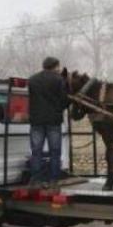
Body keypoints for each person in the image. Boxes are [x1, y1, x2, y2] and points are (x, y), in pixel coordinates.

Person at [28, 57, 70, 188]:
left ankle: (36, 180)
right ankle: (53, 181)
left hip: (36, 121)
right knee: (55, 152)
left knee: (36, 152)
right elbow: (64, 100)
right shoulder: (59, 80)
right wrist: (59, 109)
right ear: (55, 66)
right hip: (53, 121)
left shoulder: (32, 79)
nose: (59, 69)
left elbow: (31, 99)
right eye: (58, 66)